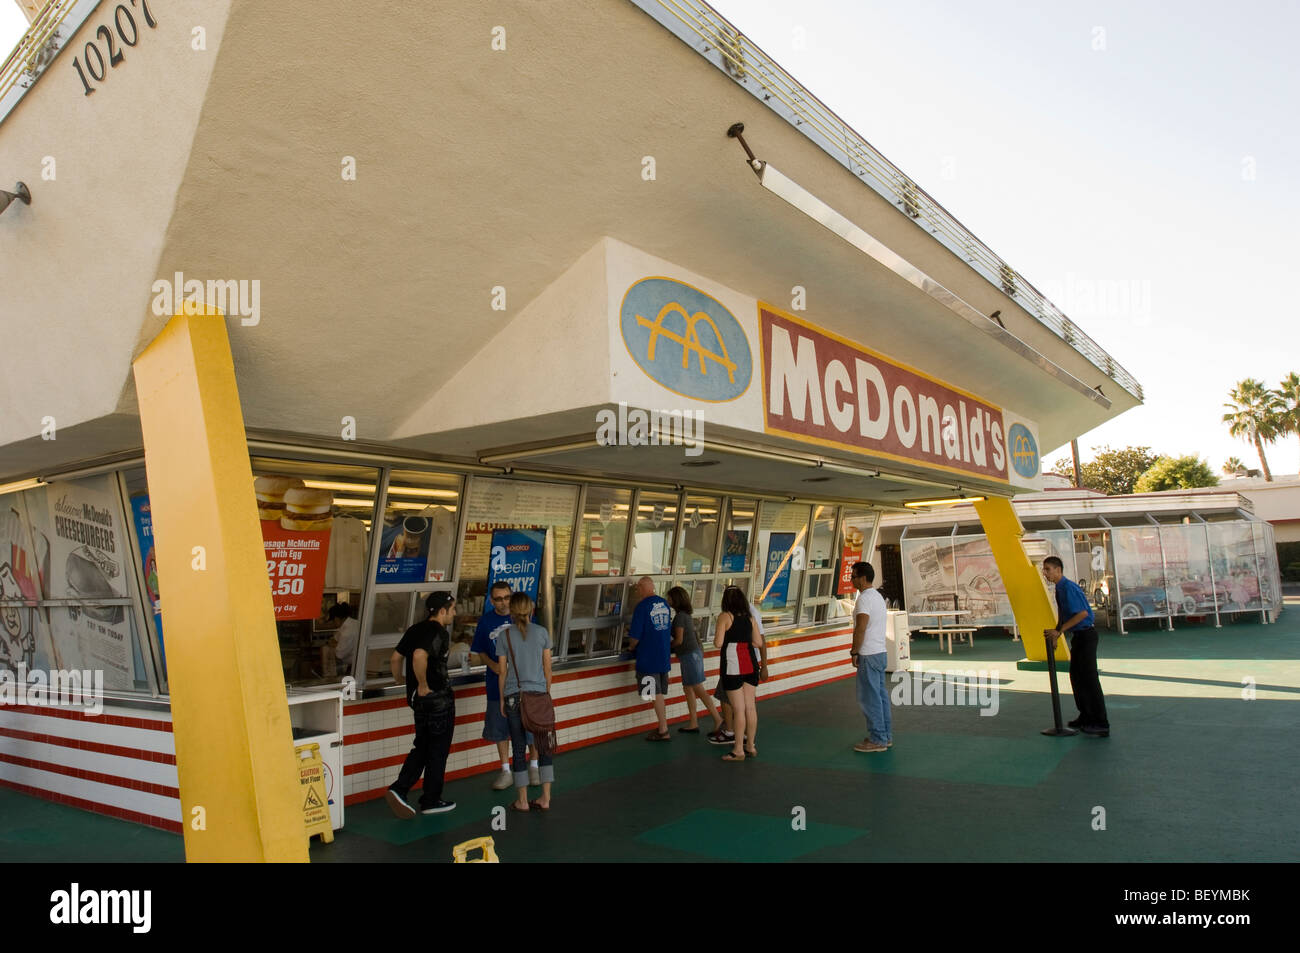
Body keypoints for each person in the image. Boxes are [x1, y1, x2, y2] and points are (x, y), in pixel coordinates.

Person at [386, 591, 457, 817]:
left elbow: (396, 658)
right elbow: (418, 656)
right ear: (442, 611)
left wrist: (401, 680)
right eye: (452, 609)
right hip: (437, 701)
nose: (454, 613)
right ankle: (431, 800)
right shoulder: (439, 632)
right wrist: (424, 684)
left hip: (418, 703)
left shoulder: (414, 629)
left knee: (424, 746)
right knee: (438, 751)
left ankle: (401, 788)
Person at [470, 581, 539, 790]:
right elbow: (479, 650)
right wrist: (492, 665)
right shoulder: (485, 622)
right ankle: (505, 770)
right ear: (491, 601)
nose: (503, 602)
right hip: (496, 685)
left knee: (530, 727)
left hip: (525, 686)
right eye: (498, 599)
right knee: (500, 729)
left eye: (507, 597)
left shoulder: (525, 618)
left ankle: (534, 766)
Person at [497, 592, 555, 812]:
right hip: (539, 696)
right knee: (544, 747)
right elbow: (548, 668)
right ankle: (545, 798)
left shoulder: (505, 636)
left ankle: (522, 801)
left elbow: (502, 672)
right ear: (531, 610)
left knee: (519, 749)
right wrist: (545, 692)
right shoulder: (542, 633)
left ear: (511, 611)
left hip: (514, 696)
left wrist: (503, 699)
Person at [1043, 556, 1109, 737]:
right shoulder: (1059, 588)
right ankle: (1086, 716)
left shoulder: (1068, 587)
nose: (1045, 573)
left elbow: (1082, 614)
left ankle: (1101, 722)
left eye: (1048, 569)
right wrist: (1058, 632)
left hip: (1087, 635)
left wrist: (1060, 630)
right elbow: (1064, 615)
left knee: (1090, 680)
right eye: (1044, 569)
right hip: (1078, 638)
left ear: (1058, 570)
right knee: (1077, 678)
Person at [708, 595, 767, 746]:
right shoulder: (751, 618)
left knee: (739, 710)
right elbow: (758, 642)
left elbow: (718, 643)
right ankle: (751, 746)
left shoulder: (725, 616)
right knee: (750, 708)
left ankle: (738, 749)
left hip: (733, 666)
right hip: (751, 665)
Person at [848, 562, 891, 753]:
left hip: (868, 653)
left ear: (863, 578)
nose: (851, 580)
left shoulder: (864, 599)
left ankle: (877, 739)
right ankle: (885, 735)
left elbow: (861, 628)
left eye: (854, 576)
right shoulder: (878, 597)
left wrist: (855, 651)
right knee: (880, 697)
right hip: (880, 652)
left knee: (870, 698)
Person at [666, 586, 721, 734]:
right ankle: (693, 722)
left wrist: (666, 646)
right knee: (689, 688)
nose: (667, 600)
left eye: (669, 597)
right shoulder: (685, 615)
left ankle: (718, 719)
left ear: (675, 599)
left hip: (689, 656)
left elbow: (678, 640)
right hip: (692, 655)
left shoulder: (679, 617)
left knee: (698, 689)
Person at [628, 576, 673, 741]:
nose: (637, 591)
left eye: (638, 588)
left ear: (641, 587)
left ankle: (663, 729)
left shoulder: (642, 607)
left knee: (655, 694)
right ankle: (662, 727)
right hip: (663, 655)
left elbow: (635, 637)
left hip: (648, 657)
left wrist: (631, 647)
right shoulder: (665, 604)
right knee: (658, 693)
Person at [325, 601, 359, 677]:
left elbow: (339, 655)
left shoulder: (347, 632)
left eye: (332, 621)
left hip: (355, 667)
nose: (332, 624)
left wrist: (335, 645)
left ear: (336, 619)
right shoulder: (353, 623)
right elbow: (333, 640)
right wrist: (337, 644)